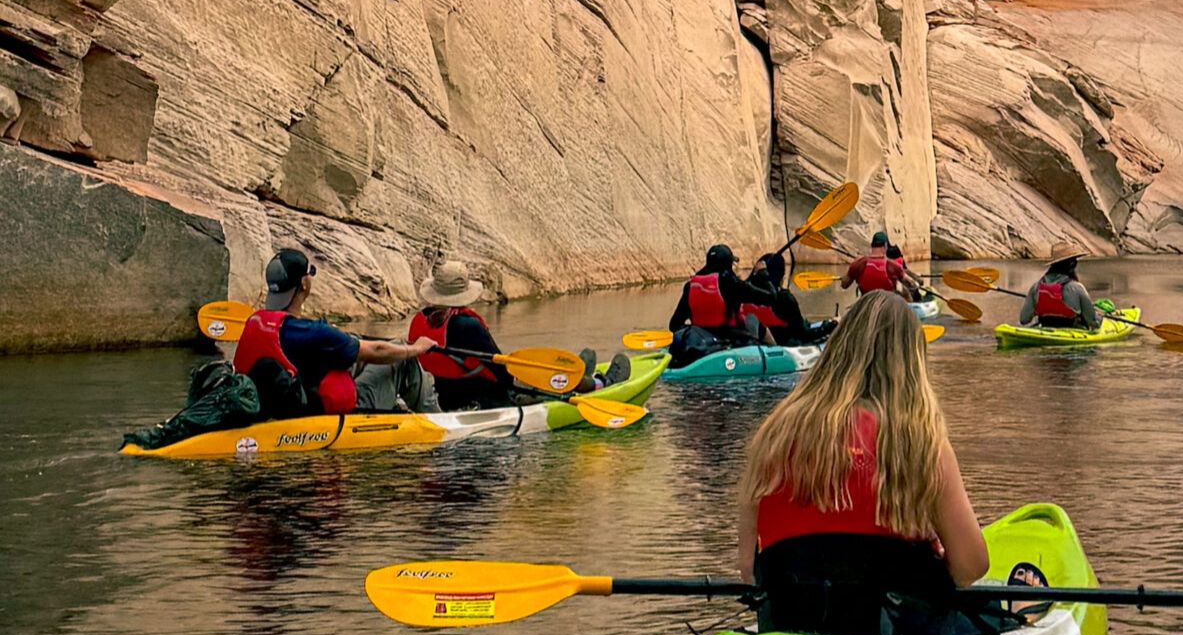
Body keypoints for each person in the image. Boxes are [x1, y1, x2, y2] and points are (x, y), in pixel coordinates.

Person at [737, 291, 1014, 635]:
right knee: (995, 599)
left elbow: (747, 570)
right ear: (911, 363)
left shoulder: (773, 435)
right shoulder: (920, 442)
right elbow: (971, 567)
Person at [234, 248, 438, 418]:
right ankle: (439, 420)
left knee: (361, 356)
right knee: (404, 359)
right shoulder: (316, 334)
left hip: (281, 409)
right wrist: (417, 348)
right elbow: (376, 350)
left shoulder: (255, 323)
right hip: (326, 417)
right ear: (305, 283)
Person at [408, 261, 623, 410]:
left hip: (440, 394)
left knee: (524, 374)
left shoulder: (419, 320)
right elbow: (503, 374)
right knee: (528, 381)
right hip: (483, 396)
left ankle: (576, 374)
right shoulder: (466, 325)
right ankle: (599, 384)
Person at [669, 245, 779, 358]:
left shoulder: (691, 286)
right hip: (729, 342)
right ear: (728, 264)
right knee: (753, 319)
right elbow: (771, 297)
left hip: (700, 342)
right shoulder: (731, 283)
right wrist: (763, 274)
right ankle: (777, 354)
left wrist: (693, 333)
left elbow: (674, 325)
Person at [743, 251, 836, 346]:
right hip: (786, 346)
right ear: (782, 275)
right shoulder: (785, 299)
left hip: (757, 345)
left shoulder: (746, 292)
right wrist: (829, 327)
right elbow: (803, 334)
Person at [1018, 242, 1105, 330]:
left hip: (1045, 328)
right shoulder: (1077, 288)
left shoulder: (1036, 287)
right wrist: (1100, 316)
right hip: (1072, 332)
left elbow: (1024, 319)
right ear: (1072, 264)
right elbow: (1093, 323)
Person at [841, 231, 912, 298]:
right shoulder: (893, 266)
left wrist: (851, 270)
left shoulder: (859, 263)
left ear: (872, 245)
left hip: (866, 302)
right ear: (885, 245)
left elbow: (844, 285)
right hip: (888, 304)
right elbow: (910, 283)